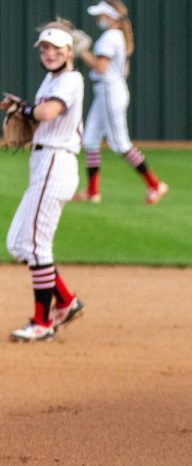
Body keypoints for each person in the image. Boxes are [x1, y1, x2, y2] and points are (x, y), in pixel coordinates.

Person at [3, 21, 86, 342]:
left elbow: (48, 113)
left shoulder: (70, 79)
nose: (50, 53)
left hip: (56, 162)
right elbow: (41, 114)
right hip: (45, 163)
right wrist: (25, 110)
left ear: (69, 51)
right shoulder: (52, 79)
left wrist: (24, 109)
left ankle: (42, 322)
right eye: (45, 48)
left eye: (56, 48)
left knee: (36, 245)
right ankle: (65, 301)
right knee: (19, 243)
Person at [72, 0, 168, 205]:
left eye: (101, 15)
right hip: (108, 90)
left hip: (110, 91)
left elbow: (100, 67)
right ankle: (92, 191)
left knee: (119, 143)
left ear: (111, 17)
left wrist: (82, 51)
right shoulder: (118, 36)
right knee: (90, 140)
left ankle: (155, 184)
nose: (99, 19)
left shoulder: (110, 37)